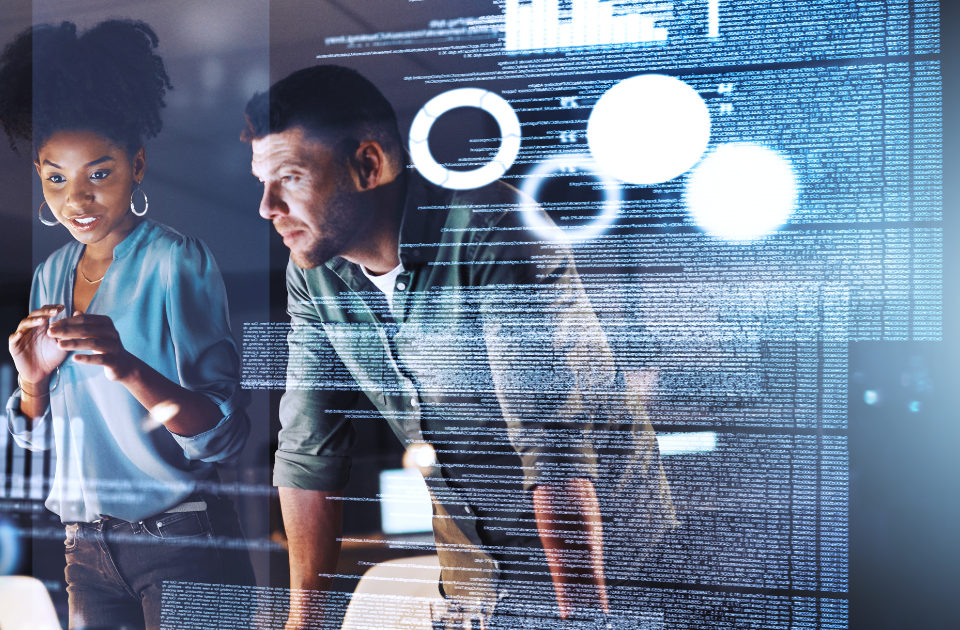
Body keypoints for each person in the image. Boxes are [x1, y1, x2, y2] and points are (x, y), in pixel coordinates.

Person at [244, 65, 676, 628]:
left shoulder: (495, 224)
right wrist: (306, 622)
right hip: (476, 578)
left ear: (367, 165)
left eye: (290, 178)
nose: (267, 207)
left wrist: (584, 620)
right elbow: (308, 452)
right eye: (261, 183)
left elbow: (554, 451)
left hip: (607, 569)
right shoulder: (316, 272)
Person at [0, 20, 254, 630]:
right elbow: (41, 443)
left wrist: (128, 365)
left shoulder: (175, 260)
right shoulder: (49, 275)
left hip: (182, 539)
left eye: (97, 173)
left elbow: (221, 433)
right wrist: (33, 386)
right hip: (84, 549)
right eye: (56, 178)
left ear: (136, 165)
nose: (76, 199)